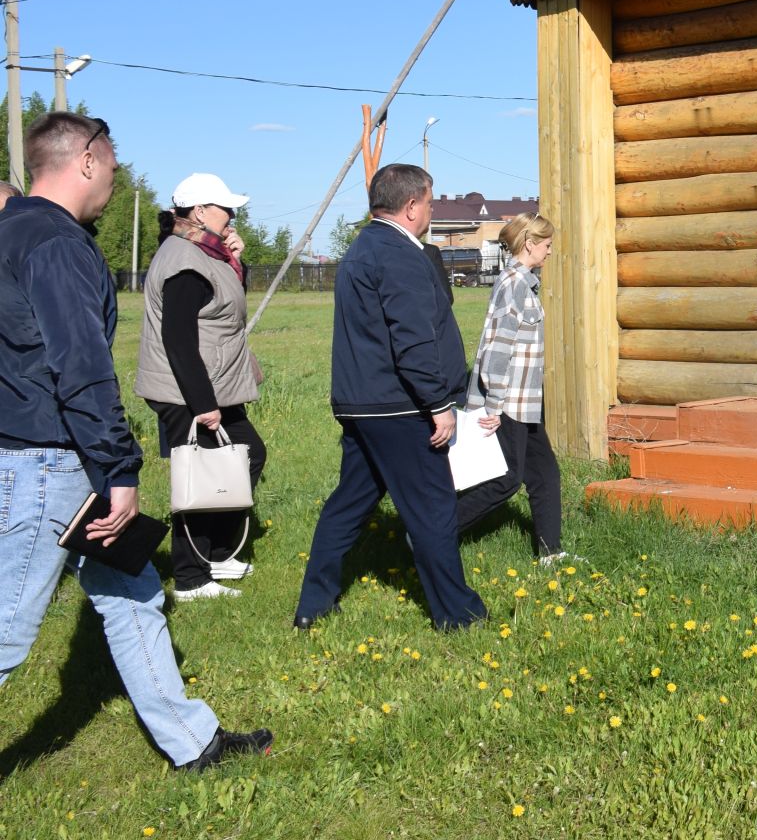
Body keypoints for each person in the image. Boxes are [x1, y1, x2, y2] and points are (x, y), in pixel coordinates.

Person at [0, 113, 271, 771]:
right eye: (114, 165)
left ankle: (192, 742)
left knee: (134, 592)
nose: (118, 178)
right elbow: (79, 365)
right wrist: (118, 469)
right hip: (54, 458)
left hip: (37, 447)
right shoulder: (57, 244)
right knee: (9, 626)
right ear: (86, 160)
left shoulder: (14, 230)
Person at [294, 164, 486, 631]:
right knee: (432, 510)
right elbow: (414, 339)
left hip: (363, 403)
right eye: (431, 203)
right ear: (412, 205)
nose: (432, 211)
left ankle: (313, 605)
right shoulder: (400, 254)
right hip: (399, 406)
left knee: (350, 504)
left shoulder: (363, 247)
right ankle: (456, 614)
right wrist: (438, 404)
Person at [133, 174, 268, 601]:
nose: (233, 215)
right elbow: (177, 338)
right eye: (225, 207)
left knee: (245, 456)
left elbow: (224, 309)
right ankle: (191, 577)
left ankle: (215, 554)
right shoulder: (183, 260)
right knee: (199, 478)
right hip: (187, 390)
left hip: (211, 385)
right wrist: (203, 404)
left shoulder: (205, 252)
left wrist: (235, 260)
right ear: (199, 212)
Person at [455, 212, 564, 561]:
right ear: (530, 244)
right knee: (505, 481)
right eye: (546, 245)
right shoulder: (513, 285)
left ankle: (550, 554)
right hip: (508, 404)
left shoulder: (524, 282)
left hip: (526, 402)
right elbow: (497, 350)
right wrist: (494, 407)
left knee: (544, 473)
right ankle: (429, 534)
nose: (549, 252)